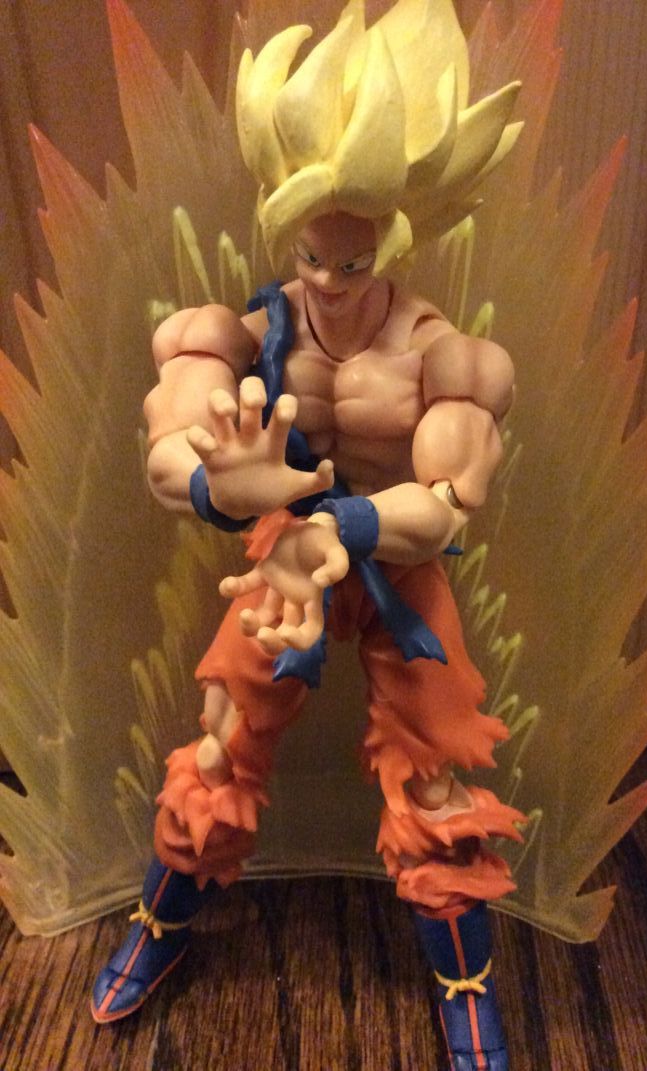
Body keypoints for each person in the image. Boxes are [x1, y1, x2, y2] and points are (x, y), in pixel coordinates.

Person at [92, 3, 526, 1067]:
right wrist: (224, 490)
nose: (329, 282)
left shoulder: (443, 356)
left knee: (436, 778)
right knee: (219, 740)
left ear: (396, 240)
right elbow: (167, 455)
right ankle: (159, 924)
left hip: (394, 567)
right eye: (312, 256)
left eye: (354, 260)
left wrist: (351, 523)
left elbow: (451, 499)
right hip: (283, 562)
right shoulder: (235, 333)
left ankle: (464, 983)